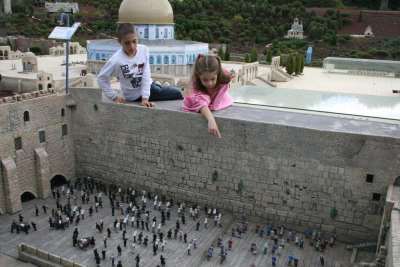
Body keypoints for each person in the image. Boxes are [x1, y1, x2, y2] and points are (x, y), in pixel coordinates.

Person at [97, 23, 183, 107]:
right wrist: (114, 97)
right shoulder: (116, 60)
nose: (132, 46)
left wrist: (145, 98)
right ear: (120, 42)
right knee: (177, 93)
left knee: (167, 90)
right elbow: (101, 78)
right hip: (132, 96)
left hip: (148, 87)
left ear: (138, 38)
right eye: (127, 43)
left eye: (134, 41)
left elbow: (146, 74)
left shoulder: (144, 50)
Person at [183, 55, 234, 138]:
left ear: (218, 74)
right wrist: (211, 119)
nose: (209, 83)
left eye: (213, 79)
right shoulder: (195, 84)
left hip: (220, 99)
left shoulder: (223, 79)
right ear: (199, 76)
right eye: (205, 80)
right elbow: (200, 102)